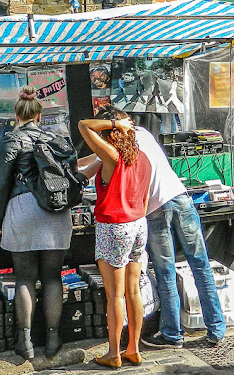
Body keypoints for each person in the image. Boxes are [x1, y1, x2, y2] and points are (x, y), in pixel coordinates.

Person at [80, 116, 226, 350]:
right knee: (200, 264)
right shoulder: (142, 134)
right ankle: (216, 328)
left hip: (155, 210)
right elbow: (94, 158)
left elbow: (91, 161)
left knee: (165, 271)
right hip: (181, 199)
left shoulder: (119, 144)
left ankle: (172, 334)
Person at [0, 86, 74, 360]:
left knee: (24, 277)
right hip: (56, 211)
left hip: (22, 210)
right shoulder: (55, 137)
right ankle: (53, 339)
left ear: (17, 114)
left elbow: (2, 183)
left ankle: (24, 343)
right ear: (39, 116)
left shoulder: (11, 139)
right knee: (52, 277)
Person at [78, 107, 152, 369]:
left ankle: (113, 352)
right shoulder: (143, 158)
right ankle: (133, 348)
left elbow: (83, 125)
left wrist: (114, 122)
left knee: (115, 296)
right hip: (138, 225)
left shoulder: (112, 156)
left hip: (114, 227)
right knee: (134, 290)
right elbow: (143, 202)